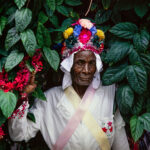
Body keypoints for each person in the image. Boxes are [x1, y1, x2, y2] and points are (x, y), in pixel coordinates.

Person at [8, 19, 130, 150]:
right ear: (69, 65)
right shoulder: (49, 100)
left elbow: (120, 141)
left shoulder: (110, 94)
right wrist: (23, 96)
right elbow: (18, 135)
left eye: (91, 63)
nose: (86, 70)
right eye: (80, 63)